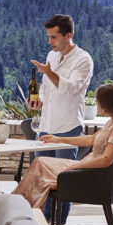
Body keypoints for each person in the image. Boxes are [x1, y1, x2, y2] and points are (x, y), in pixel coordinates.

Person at [14, 83, 113, 222]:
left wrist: (75, 167)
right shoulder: (112, 123)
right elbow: (90, 139)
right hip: (86, 168)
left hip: (90, 175)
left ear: (106, 104)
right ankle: (27, 210)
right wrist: (58, 139)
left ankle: (22, 211)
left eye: (97, 101)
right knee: (39, 162)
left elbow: (106, 159)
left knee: (40, 170)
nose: (96, 103)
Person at [29, 14, 94, 160]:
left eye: (54, 37)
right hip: (45, 126)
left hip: (68, 128)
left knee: (62, 175)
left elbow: (72, 88)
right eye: (49, 36)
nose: (49, 41)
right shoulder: (51, 55)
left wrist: (49, 73)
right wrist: (40, 100)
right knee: (40, 173)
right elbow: (45, 85)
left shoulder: (83, 60)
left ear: (68, 36)